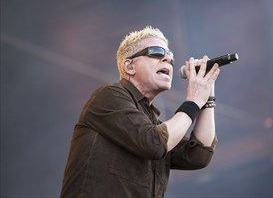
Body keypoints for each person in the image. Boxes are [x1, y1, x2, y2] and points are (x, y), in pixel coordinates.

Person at [60, 26, 220, 198]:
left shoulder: (152, 125)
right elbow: (154, 143)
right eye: (157, 52)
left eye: (170, 57)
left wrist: (207, 98)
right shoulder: (108, 96)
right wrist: (193, 101)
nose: (167, 59)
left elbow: (198, 155)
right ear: (129, 66)